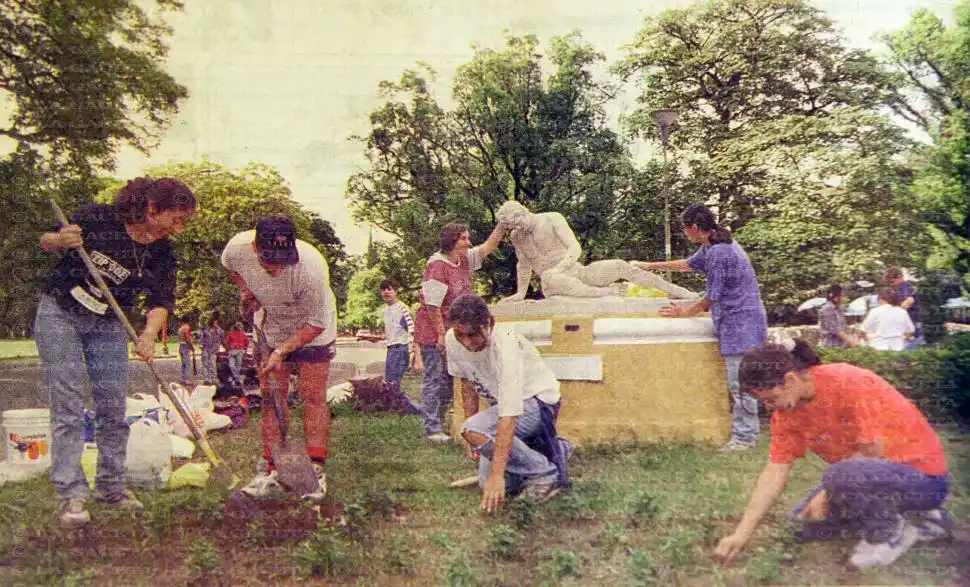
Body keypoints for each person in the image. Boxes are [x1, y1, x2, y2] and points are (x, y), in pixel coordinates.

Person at [35, 177, 196, 526]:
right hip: (60, 313)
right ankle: (72, 493)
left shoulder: (161, 251)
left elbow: (159, 301)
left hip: (107, 323)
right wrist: (61, 240)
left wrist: (149, 335)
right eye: (176, 218)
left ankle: (111, 486)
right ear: (153, 209)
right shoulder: (100, 219)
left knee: (112, 406)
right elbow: (45, 239)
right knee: (69, 405)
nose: (179, 228)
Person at [713, 339, 951, 569]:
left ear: (789, 379)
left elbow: (873, 452)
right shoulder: (787, 413)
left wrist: (827, 492)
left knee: (839, 477)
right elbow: (775, 471)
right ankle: (924, 519)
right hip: (865, 476)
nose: (769, 407)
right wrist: (740, 534)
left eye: (770, 399)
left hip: (924, 479)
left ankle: (889, 533)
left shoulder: (848, 381)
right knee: (801, 525)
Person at [634, 204, 768, 452]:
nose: (685, 233)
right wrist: (649, 266)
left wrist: (683, 313)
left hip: (741, 322)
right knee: (742, 383)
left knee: (740, 383)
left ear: (694, 228)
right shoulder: (712, 245)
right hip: (738, 321)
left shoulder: (719, 252)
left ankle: (744, 439)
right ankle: (748, 433)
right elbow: (687, 264)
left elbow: (711, 298)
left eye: (685, 229)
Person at [221, 216, 337, 499]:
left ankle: (315, 470)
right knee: (272, 396)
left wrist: (281, 351)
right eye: (268, 260)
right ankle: (271, 470)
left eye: (283, 259)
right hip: (271, 324)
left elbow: (316, 324)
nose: (276, 268)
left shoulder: (312, 269)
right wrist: (246, 290)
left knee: (312, 395)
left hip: (312, 328)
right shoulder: (237, 249)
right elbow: (229, 267)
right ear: (254, 247)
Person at [447, 294, 572, 511]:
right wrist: (475, 441)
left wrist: (497, 475)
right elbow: (467, 382)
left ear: (489, 324)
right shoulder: (451, 339)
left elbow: (509, 416)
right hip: (506, 408)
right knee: (493, 483)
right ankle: (555, 449)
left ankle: (544, 472)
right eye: (461, 334)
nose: (466, 342)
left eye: (473, 334)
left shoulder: (506, 345)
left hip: (539, 403)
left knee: (477, 439)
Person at [413, 221, 507, 443]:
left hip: (454, 331)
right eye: (464, 238)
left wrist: (502, 225)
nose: (468, 242)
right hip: (434, 329)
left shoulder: (462, 260)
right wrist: (440, 335)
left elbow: (487, 248)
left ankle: (439, 423)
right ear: (452, 241)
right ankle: (432, 428)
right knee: (436, 378)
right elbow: (432, 305)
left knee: (449, 379)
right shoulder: (437, 265)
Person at [496, 201, 697, 301]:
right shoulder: (517, 236)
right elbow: (523, 264)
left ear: (522, 212)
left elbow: (575, 247)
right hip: (554, 283)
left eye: (517, 223)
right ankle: (605, 293)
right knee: (550, 278)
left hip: (577, 271)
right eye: (512, 226)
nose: (517, 228)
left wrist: (558, 268)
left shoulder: (551, 218)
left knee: (619, 265)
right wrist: (521, 293)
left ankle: (676, 291)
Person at [380, 279, 422, 388]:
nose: (386, 292)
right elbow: (393, 332)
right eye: (383, 290)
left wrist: (417, 358)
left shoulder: (402, 308)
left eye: (389, 289)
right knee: (391, 385)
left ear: (396, 292)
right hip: (391, 350)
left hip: (400, 350)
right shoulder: (386, 310)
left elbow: (413, 332)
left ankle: (401, 405)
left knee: (393, 386)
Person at [885, 267, 923, 349]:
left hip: (911, 323)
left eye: (892, 281)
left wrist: (892, 314)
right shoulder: (902, 287)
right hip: (910, 324)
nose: (891, 284)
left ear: (900, 277)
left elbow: (909, 301)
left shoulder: (905, 286)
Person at [817, 284, 857, 348]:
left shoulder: (839, 309)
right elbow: (835, 330)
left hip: (842, 346)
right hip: (831, 346)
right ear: (836, 296)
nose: (843, 298)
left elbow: (844, 327)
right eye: (842, 296)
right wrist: (850, 341)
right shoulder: (827, 309)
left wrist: (852, 338)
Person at [199, 316, 225, 385]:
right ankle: (206, 379)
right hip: (206, 349)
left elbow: (222, 335)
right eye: (214, 322)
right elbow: (202, 339)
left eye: (216, 322)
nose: (215, 324)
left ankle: (213, 378)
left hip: (213, 350)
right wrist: (202, 346)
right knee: (205, 364)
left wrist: (218, 327)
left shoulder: (218, 331)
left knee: (212, 364)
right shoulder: (206, 330)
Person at [225, 322, 249, 388]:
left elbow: (247, 343)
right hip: (232, 351)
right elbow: (227, 342)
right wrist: (228, 349)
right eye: (240, 326)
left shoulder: (243, 334)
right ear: (236, 326)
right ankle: (237, 378)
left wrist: (244, 350)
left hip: (240, 351)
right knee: (231, 366)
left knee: (238, 366)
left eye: (241, 326)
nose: (241, 328)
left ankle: (235, 380)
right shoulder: (231, 333)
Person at [178, 318, 195, 385]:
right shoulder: (186, 328)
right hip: (185, 346)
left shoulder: (181, 328)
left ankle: (183, 379)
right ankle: (187, 379)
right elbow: (187, 338)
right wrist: (191, 347)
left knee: (184, 364)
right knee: (187, 364)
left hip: (181, 346)